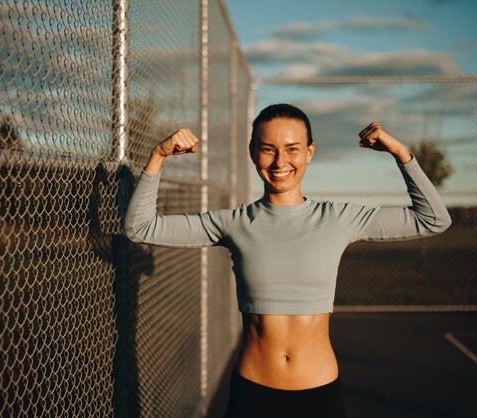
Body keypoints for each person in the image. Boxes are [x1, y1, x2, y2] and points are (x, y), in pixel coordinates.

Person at [123, 103, 452, 418]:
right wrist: (158, 156)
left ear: (310, 151)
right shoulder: (234, 222)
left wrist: (400, 153)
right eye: (268, 149)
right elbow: (140, 227)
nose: (280, 161)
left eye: (293, 148)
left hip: (319, 394)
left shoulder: (338, 218)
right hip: (252, 393)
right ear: (253, 152)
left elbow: (433, 219)